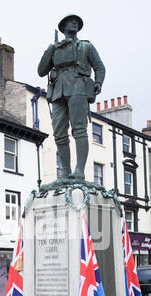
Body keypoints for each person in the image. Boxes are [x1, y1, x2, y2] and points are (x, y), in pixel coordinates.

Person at [38, 14, 105, 182]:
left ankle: (79, 171)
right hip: (58, 91)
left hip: (78, 88)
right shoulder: (55, 48)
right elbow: (41, 71)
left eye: (76, 22)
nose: (74, 23)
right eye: (70, 21)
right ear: (63, 27)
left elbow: (99, 66)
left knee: (79, 129)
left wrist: (98, 82)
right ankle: (66, 172)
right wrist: (49, 50)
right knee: (59, 133)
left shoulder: (86, 46)